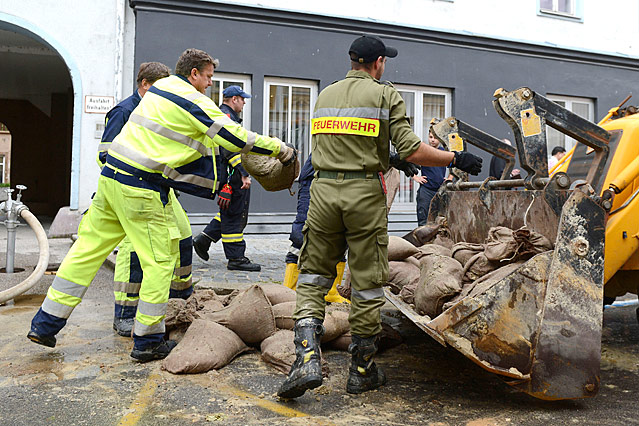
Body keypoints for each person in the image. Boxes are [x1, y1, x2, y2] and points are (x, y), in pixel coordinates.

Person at [28, 48, 295, 362]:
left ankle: (45, 324)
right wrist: (279, 148)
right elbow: (232, 136)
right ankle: (148, 340)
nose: (210, 84)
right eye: (208, 76)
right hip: (140, 188)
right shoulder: (190, 98)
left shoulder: (160, 89)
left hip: (112, 181)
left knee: (86, 252)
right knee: (159, 263)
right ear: (193, 73)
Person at [277, 34, 482, 398]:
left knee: (312, 277)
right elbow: (412, 149)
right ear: (378, 63)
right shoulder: (385, 94)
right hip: (363, 196)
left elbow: (343, 144)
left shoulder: (326, 95)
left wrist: (389, 157)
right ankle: (361, 370)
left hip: (323, 193)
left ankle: (306, 358)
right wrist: (455, 158)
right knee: (368, 283)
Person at [97, 62, 195, 337]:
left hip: (160, 190)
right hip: (131, 192)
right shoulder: (124, 111)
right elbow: (105, 155)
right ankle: (125, 315)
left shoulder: (155, 109)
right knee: (132, 252)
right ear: (145, 84)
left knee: (183, 236)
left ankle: (180, 303)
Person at [192, 86, 260, 271]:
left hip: (228, 174)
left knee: (230, 211)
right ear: (233, 99)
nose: (244, 102)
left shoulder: (226, 115)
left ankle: (204, 239)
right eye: (242, 99)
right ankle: (236, 258)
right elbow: (229, 148)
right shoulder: (226, 117)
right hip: (232, 176)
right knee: (234, 216)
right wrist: (243, 173)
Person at [282, 154, 348, 303]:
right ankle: (288, 291)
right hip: (315, 177)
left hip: (341, 179)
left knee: (340, 237)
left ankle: (332, 292)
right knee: (301, 236)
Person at [414, 126, 448, 226]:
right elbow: (408, 161)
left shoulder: (444, 152)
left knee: (439, 221)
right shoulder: (424, 150)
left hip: (440, 191)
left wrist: (449, 178)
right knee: (423, 222)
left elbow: (455, 165)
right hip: (426, 191)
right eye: (430, 137)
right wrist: (415, 177)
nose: (432, 140)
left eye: (435, 137)